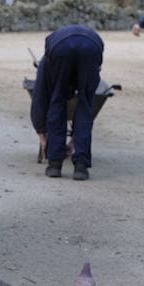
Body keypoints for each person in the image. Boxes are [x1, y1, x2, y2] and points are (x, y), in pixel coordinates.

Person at [30, 24, 105, 180]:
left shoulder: (46, 62)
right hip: (93, 46)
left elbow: (39, 97)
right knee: (85, 104)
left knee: (57, 100)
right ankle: (81, 167)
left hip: (60, 48)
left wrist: (41, 133)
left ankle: (55, 165)